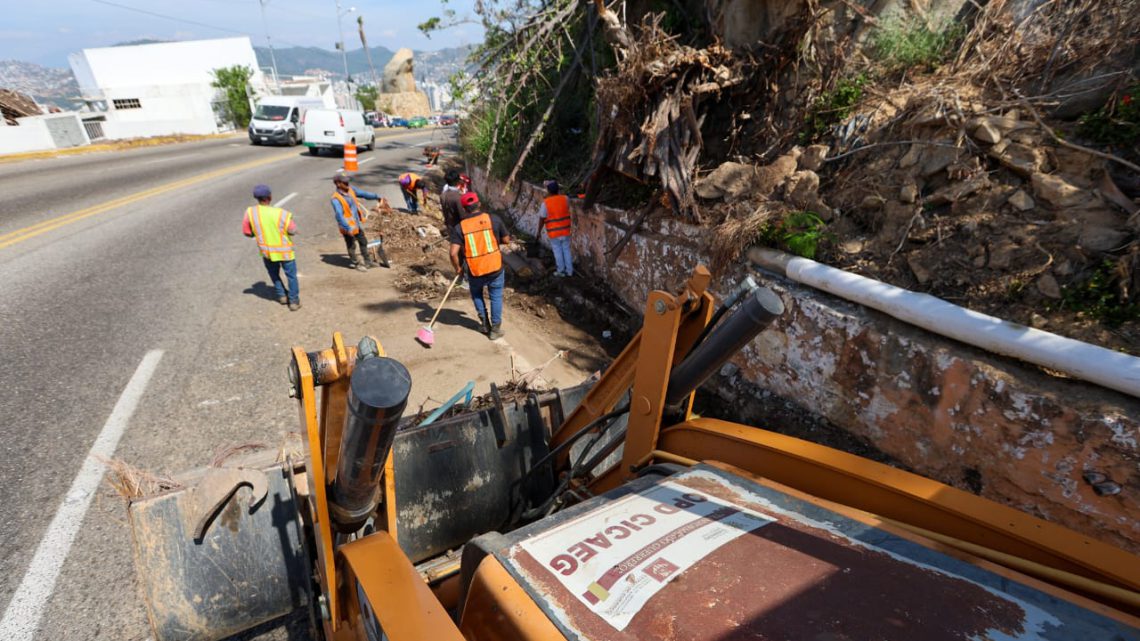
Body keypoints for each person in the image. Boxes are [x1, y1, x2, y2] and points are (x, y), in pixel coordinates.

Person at [450, 192, 513, 340]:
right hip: (495, 267)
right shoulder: (494, 219)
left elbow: (453, 253)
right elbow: (506, 240)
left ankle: (485, 324)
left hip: (475, 270)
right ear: (479, 204)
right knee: (496, 297)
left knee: (477, 294)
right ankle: (495, 330)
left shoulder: (460, 228)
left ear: (465, 209)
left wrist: (458, 269)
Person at [243, 184, 301, 311]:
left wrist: (256, 232)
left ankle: (282, 296)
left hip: (267, 252)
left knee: (274, 274)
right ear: (270, 197)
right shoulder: (282, 213)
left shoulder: (250, 212)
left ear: (256, 198)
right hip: (285, 252)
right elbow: (292, 230)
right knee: (291, 276)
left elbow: (247, 232)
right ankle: (294, 301)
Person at [330, 173, 382, 271]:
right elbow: (339, 215)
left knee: (363, 241)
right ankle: (356, 263)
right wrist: (347, 227)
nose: (347, 184)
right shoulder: (336, 199)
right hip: (347, 227)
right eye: (344, 182)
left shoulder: (351, 190)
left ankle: (367, 262)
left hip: (356, 225)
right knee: (351, 245)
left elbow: (363, 194)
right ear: (338, 184)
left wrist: (376, 196)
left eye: (347, 181)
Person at [538, 180, 573, 277]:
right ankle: (569, 271)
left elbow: (542, 218)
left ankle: (561, 271)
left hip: (554, 233)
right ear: (558, 190)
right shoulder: (565, 198)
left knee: (557, 251)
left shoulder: (545, 203)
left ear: (548, 191)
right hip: (565, 230)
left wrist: (538, 232)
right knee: (566, 250)